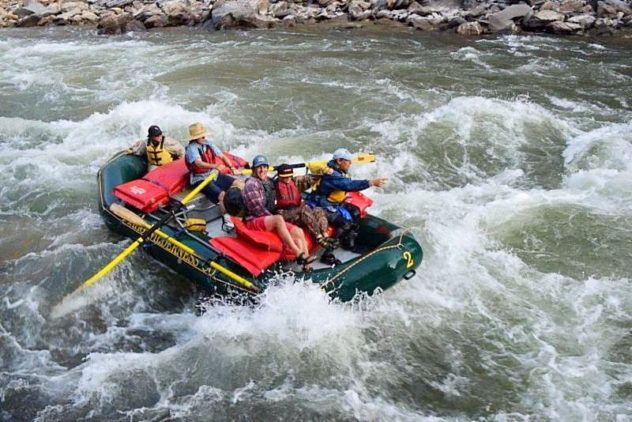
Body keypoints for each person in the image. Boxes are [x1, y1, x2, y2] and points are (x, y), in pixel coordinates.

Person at [242, 155, 315, 270]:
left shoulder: (268, 181)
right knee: (278, 219)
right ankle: (298, 254)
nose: (262, 170)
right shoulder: (251, 185)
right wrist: (275, 218)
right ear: (254, 169)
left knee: (298, 231)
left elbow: (283, 182)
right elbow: (257, 210)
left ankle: (308, 266)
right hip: (254, 220)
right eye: (259, 167)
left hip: (269, 218)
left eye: (264, 167)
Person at [308, 148, 386, 251]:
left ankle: (348, 242)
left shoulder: (338, 170)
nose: (350, 164)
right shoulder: (331, 174)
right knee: (345, 223)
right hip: (323, 206)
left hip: (335, 203)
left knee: (355, 212)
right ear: (339, 161)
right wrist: (370, 182)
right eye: (348, 161)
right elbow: (348, 185)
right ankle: (328, 252)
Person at [274, 164, 336, 249]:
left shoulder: (294, 182)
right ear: (279, 176)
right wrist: (300, 209)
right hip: (285, 214)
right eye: (285, 177)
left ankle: (325, 234)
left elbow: (308, 179)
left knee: (318, 210)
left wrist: (322, 173)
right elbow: (276, 212)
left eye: (289, 176)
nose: (288, 179)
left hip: (299, 210)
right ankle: (318, 237)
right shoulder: (274, 188)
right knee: (304, 211)